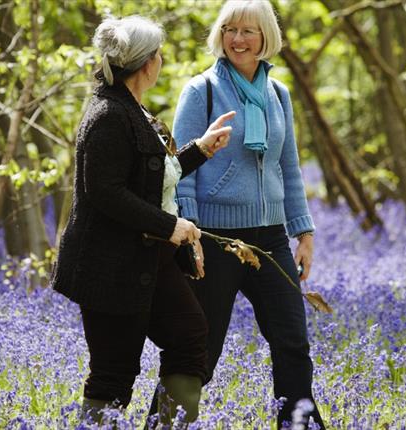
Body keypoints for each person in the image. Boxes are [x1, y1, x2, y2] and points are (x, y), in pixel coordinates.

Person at [50, 15, 236, 426]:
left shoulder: (133, 109)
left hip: (150, 262)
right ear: (147, 62)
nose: (163, 60)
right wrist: (172, 226)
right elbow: (104, 191)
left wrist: (199, 151)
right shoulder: (107, 115)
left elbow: (151, 176)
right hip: (109, 268)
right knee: (113, 376)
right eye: (159, 54)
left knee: (189, 340)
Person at [148, 1, 326, 428]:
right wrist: (189, 233)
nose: (238, 39)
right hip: (214, 239)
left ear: (266, 36)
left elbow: (288, 166)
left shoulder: (278, 94)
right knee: (199, 349)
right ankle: (165, 425)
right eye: (230, 29)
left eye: (248, 30)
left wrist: (303, 232)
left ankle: (298, 423)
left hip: (270, 239)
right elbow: (180, 169)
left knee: (292, 343)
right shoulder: (201, 90)